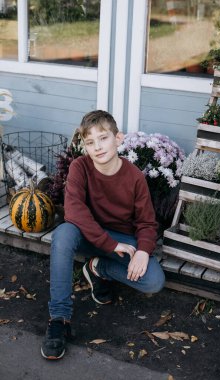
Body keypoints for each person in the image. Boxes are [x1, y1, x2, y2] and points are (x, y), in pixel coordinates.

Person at [41, 110, 165, 360]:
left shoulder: (134, 177)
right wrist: (109, 244)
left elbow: (146, 222)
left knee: (154, 280)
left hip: (122, 242)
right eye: (90, 142)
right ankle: (59, 319)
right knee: (63, 234)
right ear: (84, 145)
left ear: (118, 138)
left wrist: (142, 251)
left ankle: (99, 269)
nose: (97, 147)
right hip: (89, 235)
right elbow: (74, 211)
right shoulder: (80, 167)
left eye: (103, 138)